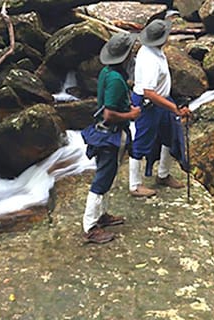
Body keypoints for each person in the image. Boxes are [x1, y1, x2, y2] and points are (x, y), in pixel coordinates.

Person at [80, 33, 141, 244]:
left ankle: (102, 215)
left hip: (106, 133)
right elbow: (109, 113)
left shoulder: (108, 72)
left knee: (108, 174)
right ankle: (90, 226)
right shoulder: (116, 79)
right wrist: (131, 115)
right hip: (111, 134)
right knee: (103, 178)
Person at [128, 19, 191, 198]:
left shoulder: (154, 51)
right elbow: (148, 92)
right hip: (149, 104)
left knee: (169, 136)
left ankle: (163, 174)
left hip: (162, 100)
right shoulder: (150, 60)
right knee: (142, 142)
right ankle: (135, 185)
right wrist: (174, 107)